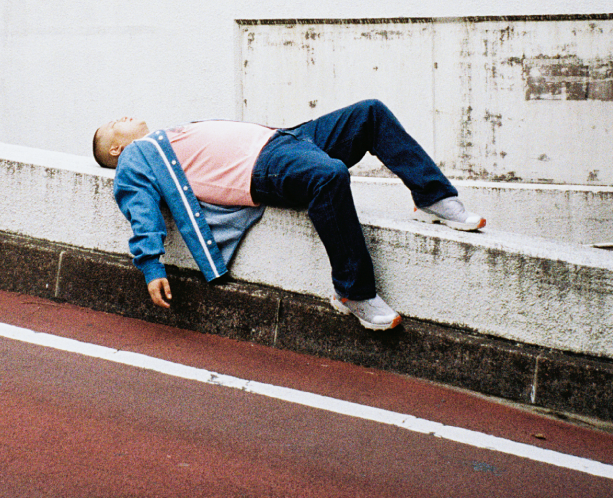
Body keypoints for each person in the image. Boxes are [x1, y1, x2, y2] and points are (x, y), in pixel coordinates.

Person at [93, 99, 485, 331]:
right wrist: (151, 266)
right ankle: (353, 291)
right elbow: (139, 207)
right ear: (115, 150)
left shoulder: (164, 138)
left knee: (370, 114)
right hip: (263, 167)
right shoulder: (136, 158)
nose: (124, 115)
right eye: (116, 124)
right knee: (328, 175)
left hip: (287, 138)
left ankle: (431, 197)